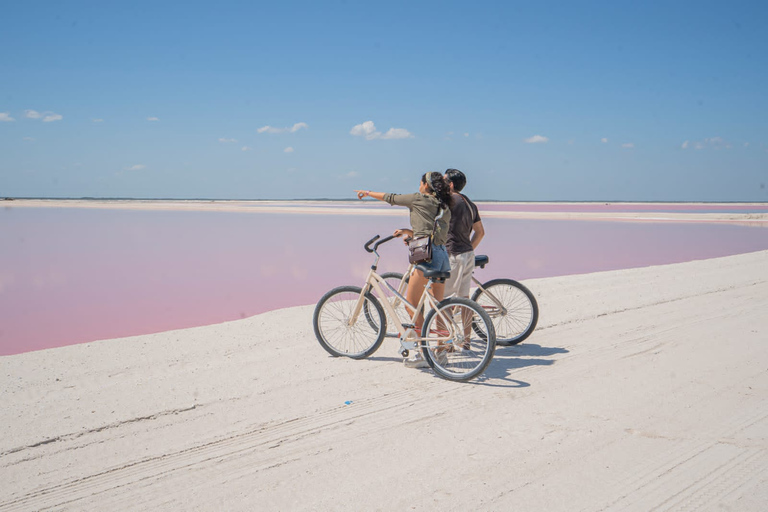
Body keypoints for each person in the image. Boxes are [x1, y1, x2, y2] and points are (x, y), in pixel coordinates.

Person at [354, 172, 453, 368]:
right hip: (442, 255)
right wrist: (408, 233)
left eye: (421, 181)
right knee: (438, 307)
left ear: (426, 185)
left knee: (411, 305)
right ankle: (441, 352)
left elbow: (391, 198)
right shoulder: (443, 205)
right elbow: (430, 230)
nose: (419, 184)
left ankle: (422, 353)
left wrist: (368, 192)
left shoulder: (418, 199)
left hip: (427, 256)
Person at [443, 169, 485, 303]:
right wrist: (467, 248)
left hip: (453, 255)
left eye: (443, 181)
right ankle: (466, 325)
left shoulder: (449, 201)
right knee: (464, 300)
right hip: (468, 255)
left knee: (443, 298)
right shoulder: (469, 203)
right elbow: (480, 232)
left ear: (450, 185)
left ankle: (444, 325)